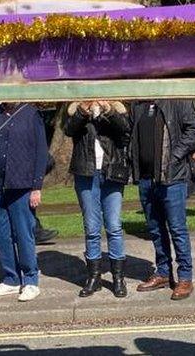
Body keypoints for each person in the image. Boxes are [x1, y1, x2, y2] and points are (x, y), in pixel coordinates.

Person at [0, 103, 47, 302]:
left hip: (21, 183)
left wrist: (36, 186)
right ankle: (11, 279)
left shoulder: (31, 113)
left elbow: (41, 152)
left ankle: (30, 280)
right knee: (1, 234)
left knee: (23, 233)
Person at [131, 99, 195, 301]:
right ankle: (163, 272)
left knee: (177, 229)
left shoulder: (177, 101)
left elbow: (194, 130)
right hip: (146, 178)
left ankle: (185, 277)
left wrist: (176, 155)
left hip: (172, 177)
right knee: (155, 229)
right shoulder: (138, 105)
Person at [64, 100, 132, 298]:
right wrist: (82, 113)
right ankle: (94, 276)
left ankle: (118, 278)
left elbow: (125, 131)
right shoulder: (77, 110)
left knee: (114, 225)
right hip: (86, 172)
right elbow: (69, 130)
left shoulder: (116, 108)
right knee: (92, 227)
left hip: (112, 171)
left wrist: (109, 111)